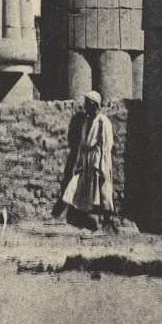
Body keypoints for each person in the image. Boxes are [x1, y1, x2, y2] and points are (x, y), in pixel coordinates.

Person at [58, 90, 116, 231]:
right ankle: (85, 218)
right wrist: (79, 160)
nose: (84, 106)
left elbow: (107, 144)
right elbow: (83, 142)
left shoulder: (103, 121)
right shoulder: (85, 121)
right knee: (81, 185)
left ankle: (106, 220)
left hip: (97, 157)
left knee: (101, 187)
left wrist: (103, 163)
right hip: (86, 158)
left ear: (93, 104)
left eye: (87, 103)